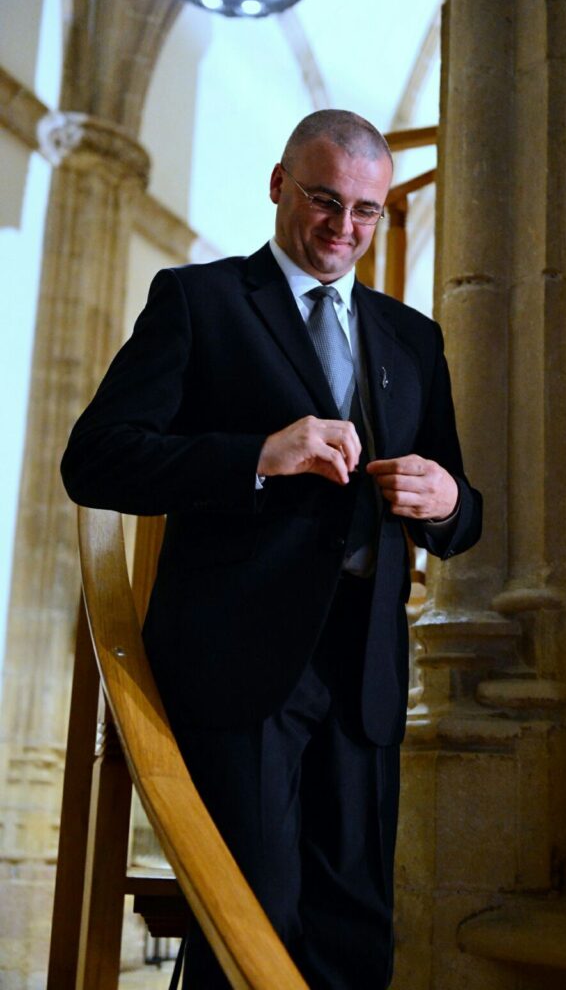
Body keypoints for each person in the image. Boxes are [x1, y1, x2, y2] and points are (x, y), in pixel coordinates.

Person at [61, 109, 482, 989]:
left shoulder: (415, 337)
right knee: (250, 920)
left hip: (365, 671)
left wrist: (447, 502)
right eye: (325, 200)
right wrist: (255, 455)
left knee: (355, 932)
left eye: (366, 210)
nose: (344, 227)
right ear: (279, 184)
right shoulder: (199, 301)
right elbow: (95, 459)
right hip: (237, 662)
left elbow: (460, 508)